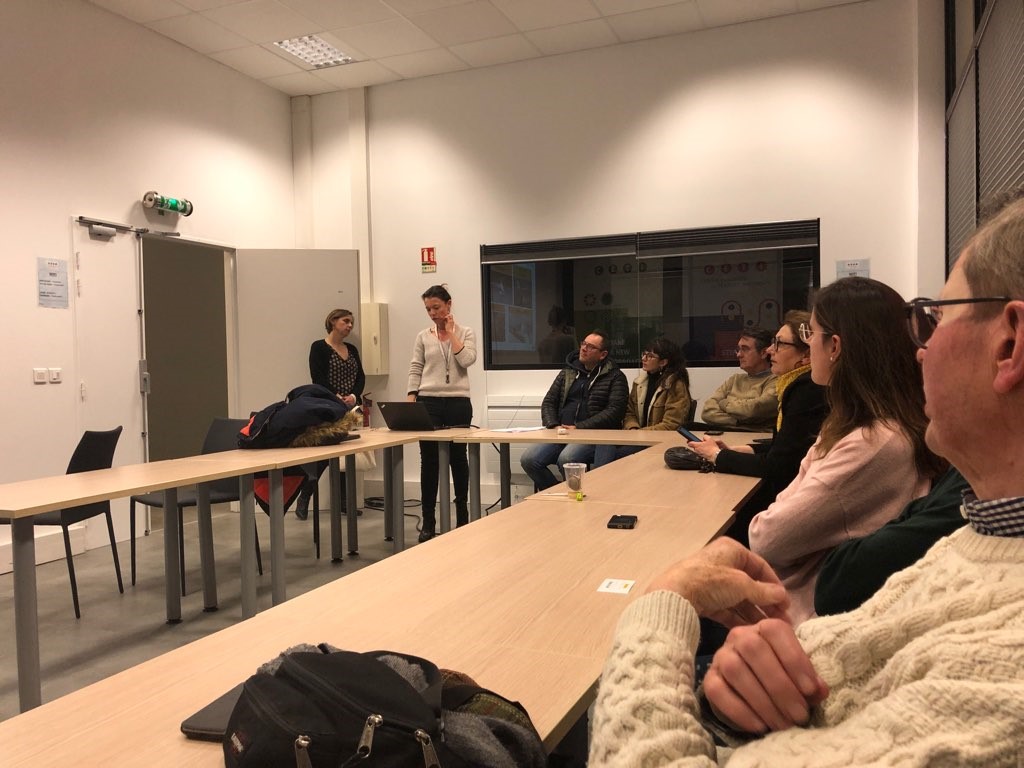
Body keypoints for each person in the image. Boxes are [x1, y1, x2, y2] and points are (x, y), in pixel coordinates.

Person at [588, 193, 1024, 766]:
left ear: (1009, 343)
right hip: (772, 653)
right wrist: (755, 680)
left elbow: (771, 534)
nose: (920, 352)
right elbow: (840, 665)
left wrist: (663, 602)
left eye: (935, 320)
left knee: (593, 674)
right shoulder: (982, 532)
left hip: (775, 621)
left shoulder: (1000, 669)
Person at [746, 278, 941, 623]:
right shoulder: (854, 424)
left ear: (834, 346)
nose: (808, 343)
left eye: (811, 333)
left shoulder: (873, 442)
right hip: (793, 603)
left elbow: (766, 537)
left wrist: (801, 481)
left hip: (797, 621)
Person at [688, 311, 828, 546]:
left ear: (806, 355)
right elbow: (788, 446)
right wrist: (749, 449)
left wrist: (718, 455)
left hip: (788, 503)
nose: (770, 350)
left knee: (715, 514)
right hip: (788, 490)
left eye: (779, 343)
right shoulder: (794, 384)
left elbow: (778, 466)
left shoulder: (806, 390)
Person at [814, 465, 970, 616]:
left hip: (815, 601)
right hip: (824, 597)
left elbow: (836, 583)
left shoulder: (876, 448)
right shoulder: (961, 476)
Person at [407, 285, 477, 542]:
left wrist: (451, 332)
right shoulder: (423, 336)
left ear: (449, 304)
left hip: (458, 402)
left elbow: (467, 360)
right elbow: (416, 367)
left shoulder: (466, 332)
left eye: (436, 307)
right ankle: (428, 520)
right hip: (429, 402)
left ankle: (462, 515)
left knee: (458, 459)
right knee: (429, 461)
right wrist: (411, 398)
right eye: (428, 309)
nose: (432, 313)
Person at [520, 330, 627, 490]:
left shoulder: (615, 376)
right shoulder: (568, 372)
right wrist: (553, 425)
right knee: (529, 459)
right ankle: (556, 492)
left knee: (567, 458)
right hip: (562, 432)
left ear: (603, 354)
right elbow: (549, 401)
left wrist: (580, 427)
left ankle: (575, 495)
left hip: (592, 434)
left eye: (590, 347)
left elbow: (614, 411)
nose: (583, 348)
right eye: (583, 344)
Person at [295, 308, 365, 520]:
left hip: (349, 409)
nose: (350, 325)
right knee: (325, 456)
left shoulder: (352, 349)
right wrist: (335, 396)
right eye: (346, 321)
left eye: (351, 322)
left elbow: (360, 377)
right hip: (327, 407)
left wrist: (353, 396)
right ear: (333, 321)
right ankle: (305, 495)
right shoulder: (318, 347)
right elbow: (318, 378)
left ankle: (344, 502)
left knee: (347, 454)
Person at [592, 337, 692, 467]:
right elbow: (629, 412)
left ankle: (601, 479)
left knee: (615, 456)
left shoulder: (675, 385)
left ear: (663, 362)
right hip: (636, 437)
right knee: (605, 443)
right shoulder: (640, 382)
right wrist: (633, 427)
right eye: (644, 354)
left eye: (650, 356)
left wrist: (640, 433)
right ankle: (601, 479)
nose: (644, 358)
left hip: (658, 441)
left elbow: (671, 425)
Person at [700, 328, 778, 430]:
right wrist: (740, 422)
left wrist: (724, 403)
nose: (738, 355)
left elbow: (753, 410)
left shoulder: (775, 380)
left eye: (745, 349)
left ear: (763, 353)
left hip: (756, 437)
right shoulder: (734, 380)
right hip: (727, 434)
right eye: (738, 349)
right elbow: (707, 412)